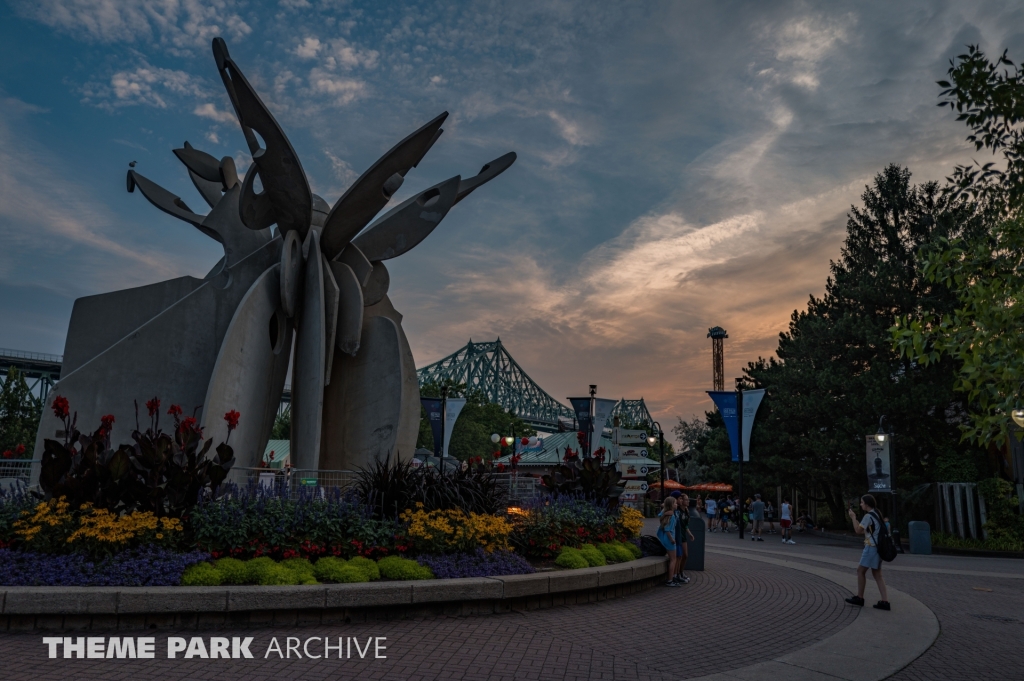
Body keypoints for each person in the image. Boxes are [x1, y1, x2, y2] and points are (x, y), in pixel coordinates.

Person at [845, 495, 891, 611]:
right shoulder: (877, 513)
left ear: (866, 504)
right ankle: (885, 601)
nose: (861, 505)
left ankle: (860, 598)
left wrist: (853, 517)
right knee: (877, 574)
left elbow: (858, 530)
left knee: (860, 571)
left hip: (871, 547)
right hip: (879, 548)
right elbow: (866, 530)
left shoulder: (868, 516)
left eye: (862, 502)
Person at [672, 492, 696, 583]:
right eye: (686, 499)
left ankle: (681, 572)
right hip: (678, 535)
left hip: (683, 534)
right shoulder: (677, 510)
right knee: (680, 555)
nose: (688, 501)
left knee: (685, 555)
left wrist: (690, 533)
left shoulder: (686, 511)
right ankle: (677, 573)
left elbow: (686, 525)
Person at [657, 497, 679, 587]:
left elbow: (660, 514)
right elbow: (667, 530)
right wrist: (672, 540)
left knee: (672, 559)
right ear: (671, 505)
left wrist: (665, 512)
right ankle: (670, 580)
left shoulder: (665, 514)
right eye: (675, 503)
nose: (677, 504)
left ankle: (671, 579)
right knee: (673, 560)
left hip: (665, 539)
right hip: (670, 540)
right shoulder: (672, 516)